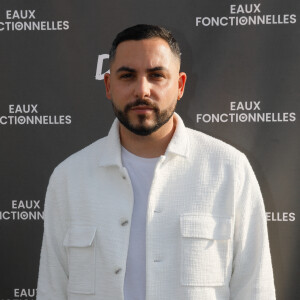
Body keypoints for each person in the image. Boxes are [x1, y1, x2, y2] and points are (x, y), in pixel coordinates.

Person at [36, 24, 276, 300]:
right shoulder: (69, 178)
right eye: (127, 76)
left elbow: (255, 288)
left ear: (180, 85)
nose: (142, 90)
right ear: (108, 85)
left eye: (157, 75)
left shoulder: (229, 170)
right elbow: (52, 289)